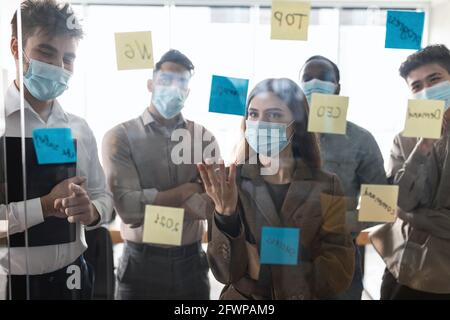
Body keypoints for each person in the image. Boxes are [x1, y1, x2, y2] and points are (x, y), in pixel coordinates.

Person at [198, 78, 355, 300]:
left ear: (297, 123)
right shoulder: (230, 181)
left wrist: (263, 270)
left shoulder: (327, 185)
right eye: (253, 114)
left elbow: (339, 270)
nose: (260, 123)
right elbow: (224, 273)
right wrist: (225, 215)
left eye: (274, 115)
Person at [0, 0, 113, 299]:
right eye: (46, 52)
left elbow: (105, 198)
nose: (58, 67)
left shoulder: (78, 127)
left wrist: (91, 212)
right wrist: (46, 206)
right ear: (16, 48)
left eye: (68, 58)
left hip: (73, 280)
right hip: (11, 285)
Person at [103, 49, 219, 300]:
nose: (173, 88)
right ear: (150, 84)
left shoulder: (204, 138)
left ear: (188, 91)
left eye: (181, 82)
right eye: (166, 80)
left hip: (192, 263)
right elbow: (129, 211)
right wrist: (189, 190)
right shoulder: (120, 137)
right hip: (141, 263)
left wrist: (149, 204)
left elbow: (212, 206)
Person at [299, 56, 387, 299]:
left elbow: (381, 206)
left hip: (340, 254)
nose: (315, 84)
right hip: (287, 254)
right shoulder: (281, 136)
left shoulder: (361, 140)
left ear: (337, 88)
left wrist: (339, 223)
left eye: (324, 79)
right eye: (307, 79)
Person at [371, 44, 450, 299]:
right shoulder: (403, 140)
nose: (427, 90)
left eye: (434, 79)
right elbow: (398, 202)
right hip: (403, 265)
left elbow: (406, 210)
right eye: (416, 86)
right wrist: (423, 146)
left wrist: (415, 216)